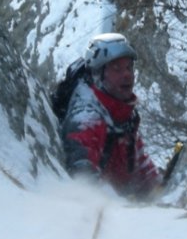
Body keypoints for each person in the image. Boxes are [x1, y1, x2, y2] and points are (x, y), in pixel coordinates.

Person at [60, 33, 161, 198]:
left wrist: (157, 189)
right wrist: (122, 204)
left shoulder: (121, 111)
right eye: (117, 69)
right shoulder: (86, 117)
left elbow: (138, 161)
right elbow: (83, 182)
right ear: (98, 75)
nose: (127, 75)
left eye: (129, 68)